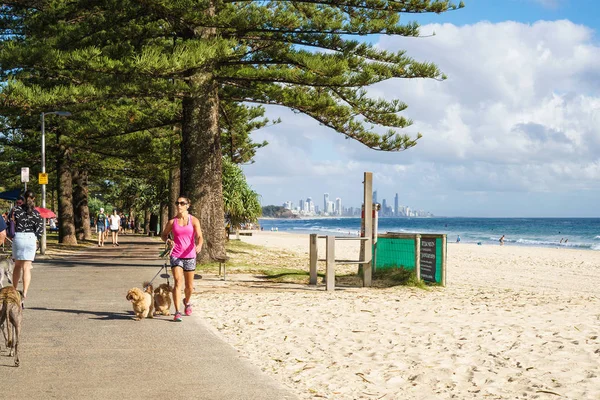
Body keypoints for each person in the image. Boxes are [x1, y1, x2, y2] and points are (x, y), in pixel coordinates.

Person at [161, 196, 203, 322]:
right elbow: (163, 235)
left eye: (182, 203)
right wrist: (168, 240)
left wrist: (199, 245)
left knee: (189, 286)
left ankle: (187, 301)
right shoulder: (172, 222)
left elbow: (200, 236)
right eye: (177, 203)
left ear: (187, 205)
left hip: (190, 255)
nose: (179, 205)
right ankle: (177, 312)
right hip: (176, 255)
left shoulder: (194, 220)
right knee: (178, 282)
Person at [11, 190, 43, 305]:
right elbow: (40, 229)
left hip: (19, 237)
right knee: (27, 267)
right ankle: (24, 293)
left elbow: (11, 224)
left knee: (17, 266)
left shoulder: (16, 210)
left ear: (23, 198)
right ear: (34, 199)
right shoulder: (36, 213)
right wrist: (36, 238)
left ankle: (14, 291)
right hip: (30, 238)